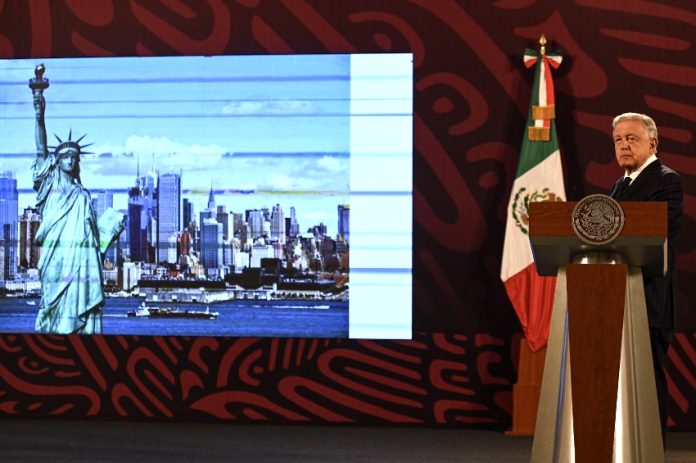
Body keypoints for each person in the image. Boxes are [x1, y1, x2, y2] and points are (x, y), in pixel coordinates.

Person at [610, 112, 683, 444]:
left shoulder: (667, 180)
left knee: (646, 382)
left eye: (631, 138)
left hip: (648, 299)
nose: (623, 145)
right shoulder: (618, 185)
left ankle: (650, 450)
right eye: (618, 140)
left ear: (652, 143)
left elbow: (657, 233)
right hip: (612, 298)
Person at [31, 77, 105, 334]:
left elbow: (93, 238)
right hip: (55, 256)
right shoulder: (49, 185)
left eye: (75, 157)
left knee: (74, 308)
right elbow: (41, 149)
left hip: (79, 261)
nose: (71, 160)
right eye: (66, 156)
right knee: (51, 304)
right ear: (58, 160)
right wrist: (39, 112)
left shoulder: (82, 195)